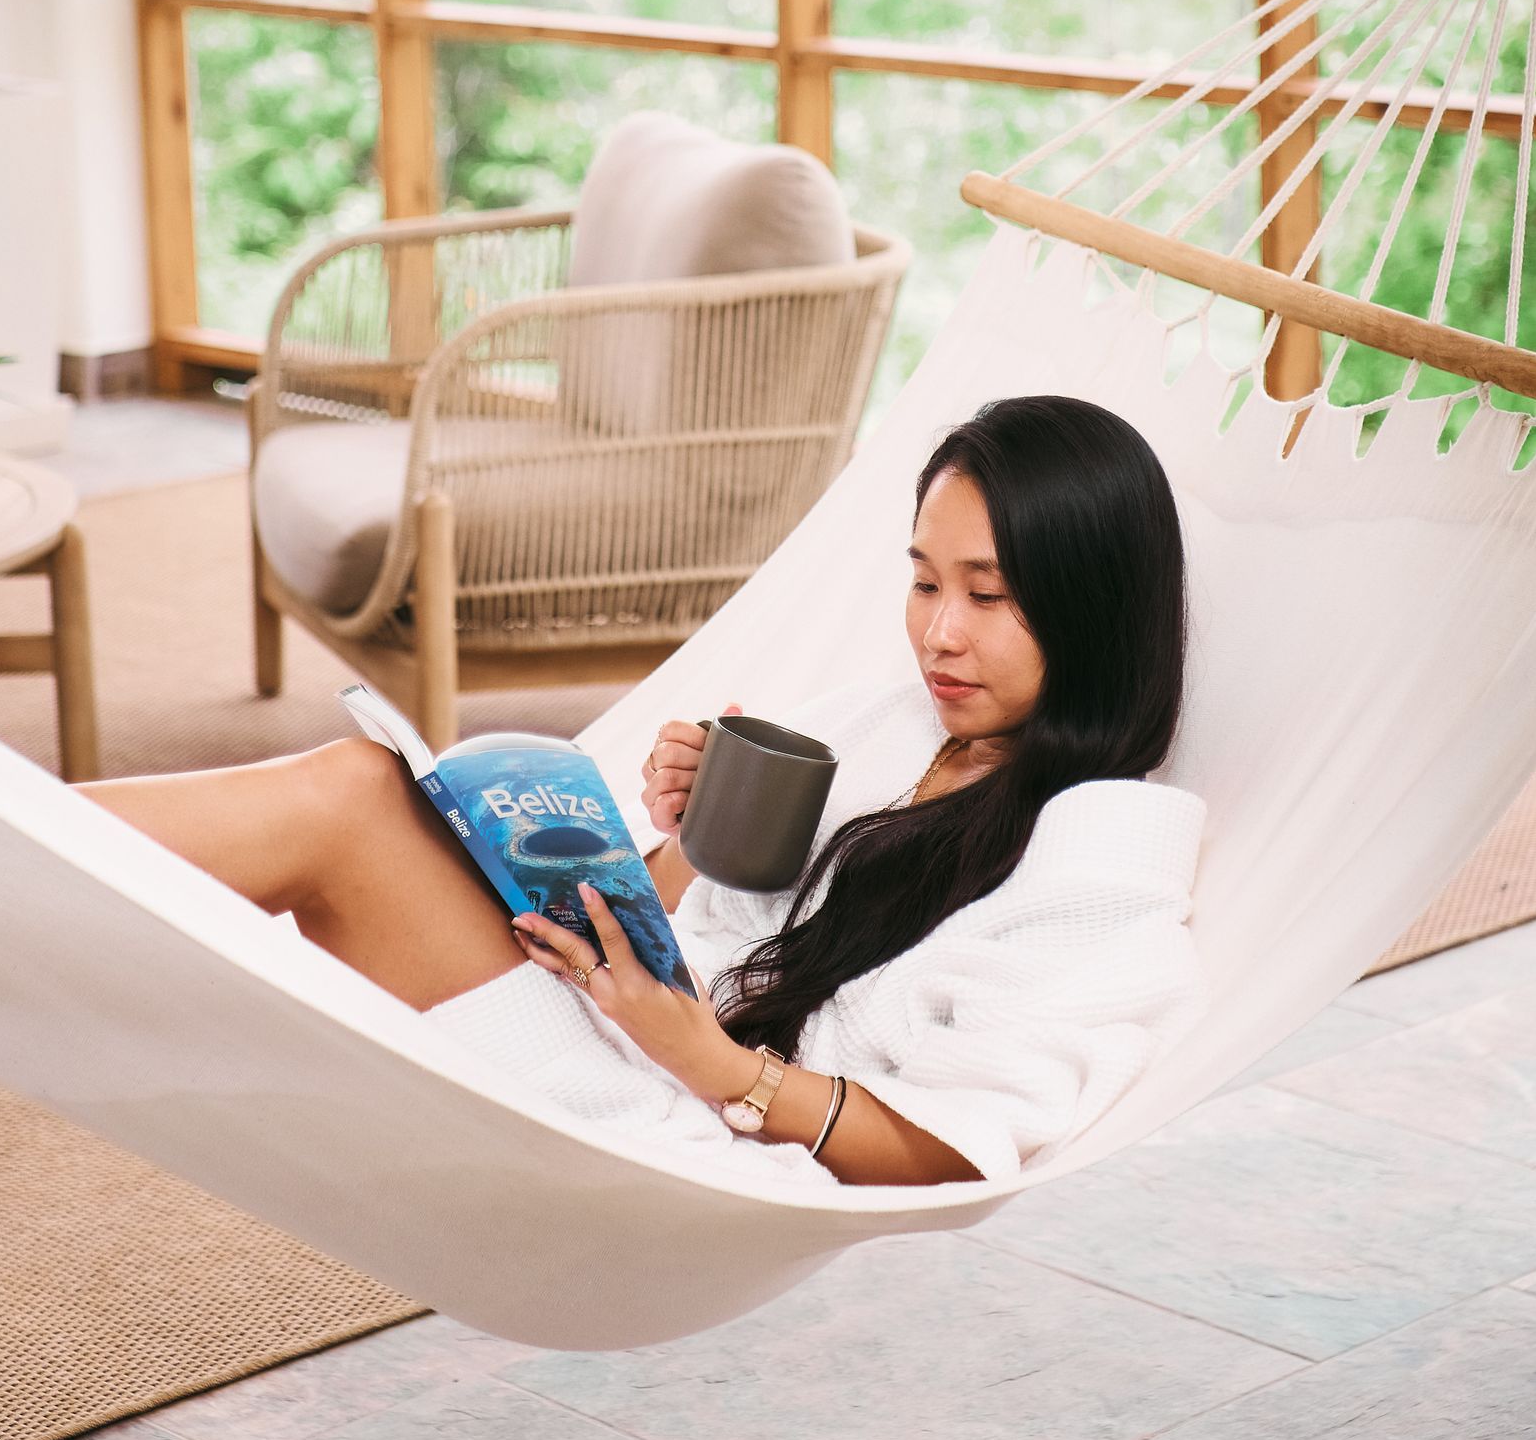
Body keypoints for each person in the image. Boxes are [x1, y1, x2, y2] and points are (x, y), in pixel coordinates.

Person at [87, 394, 1204, 1192]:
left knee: (350, 802)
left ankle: (19, 842)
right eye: (922, 582)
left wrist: (710, 1063)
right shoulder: (889, 723)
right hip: (627, 1017)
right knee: (383, 783)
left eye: (987, 595)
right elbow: (682, 913)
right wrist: (688, 834)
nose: (939, 633)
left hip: (696, 1126)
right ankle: (22, 849)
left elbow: (960, 1143)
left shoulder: (1105, 857)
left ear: (1092, 609)